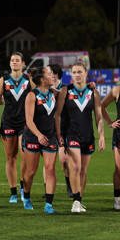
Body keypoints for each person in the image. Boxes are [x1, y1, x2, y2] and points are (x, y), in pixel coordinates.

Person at [55, 62, 105, 213]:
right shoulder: (65, 91)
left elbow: (99, 116)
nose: (77, 75)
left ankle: (79, 200)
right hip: (71, 135)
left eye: (79, 72)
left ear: (85, 73)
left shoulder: (94, 92)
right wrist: (59, 135)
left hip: (88, 136)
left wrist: (101, 135)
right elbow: (57, 115)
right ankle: (75, 200)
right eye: (74, 72)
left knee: (83, 171)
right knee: (75, 167)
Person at [0, 52, 33, 203]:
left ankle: (22, 187)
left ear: (23, 63)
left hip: (24, 123)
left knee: (25, 157)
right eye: (12, 60)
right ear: (10, 64)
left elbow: (37, 96)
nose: (14, 62)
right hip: (8, 122)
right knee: (11, 158)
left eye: (17, 60)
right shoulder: (4, 80)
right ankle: (13, 192)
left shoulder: (28, 80)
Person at [21, 66, 59, 213]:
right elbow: (29, 121)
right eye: (50, 74)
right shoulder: (32, 96)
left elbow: (70, 91)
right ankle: (27, 196)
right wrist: (38, 135)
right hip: (33, 137)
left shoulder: (54, 94)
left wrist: (89, 85)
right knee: (31, 172)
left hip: (50, 137)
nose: (53, 76)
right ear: (42, 79)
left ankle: (49, 205)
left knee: (50, 169)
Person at [45, 63, 72, 197]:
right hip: (48, 130)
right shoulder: (45, 89)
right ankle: (47, 189)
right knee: (47, 162)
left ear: (55, 74)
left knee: (64, 161)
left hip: (63, 130)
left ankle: (69, 186)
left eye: (49, 72)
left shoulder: (66, 89)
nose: (46, 74)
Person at [100, 81, 120, 210]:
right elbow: (101, 105)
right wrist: (109, 123)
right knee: (119, 169)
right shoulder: (117, 90)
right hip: (119, 134)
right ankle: (117, 199)